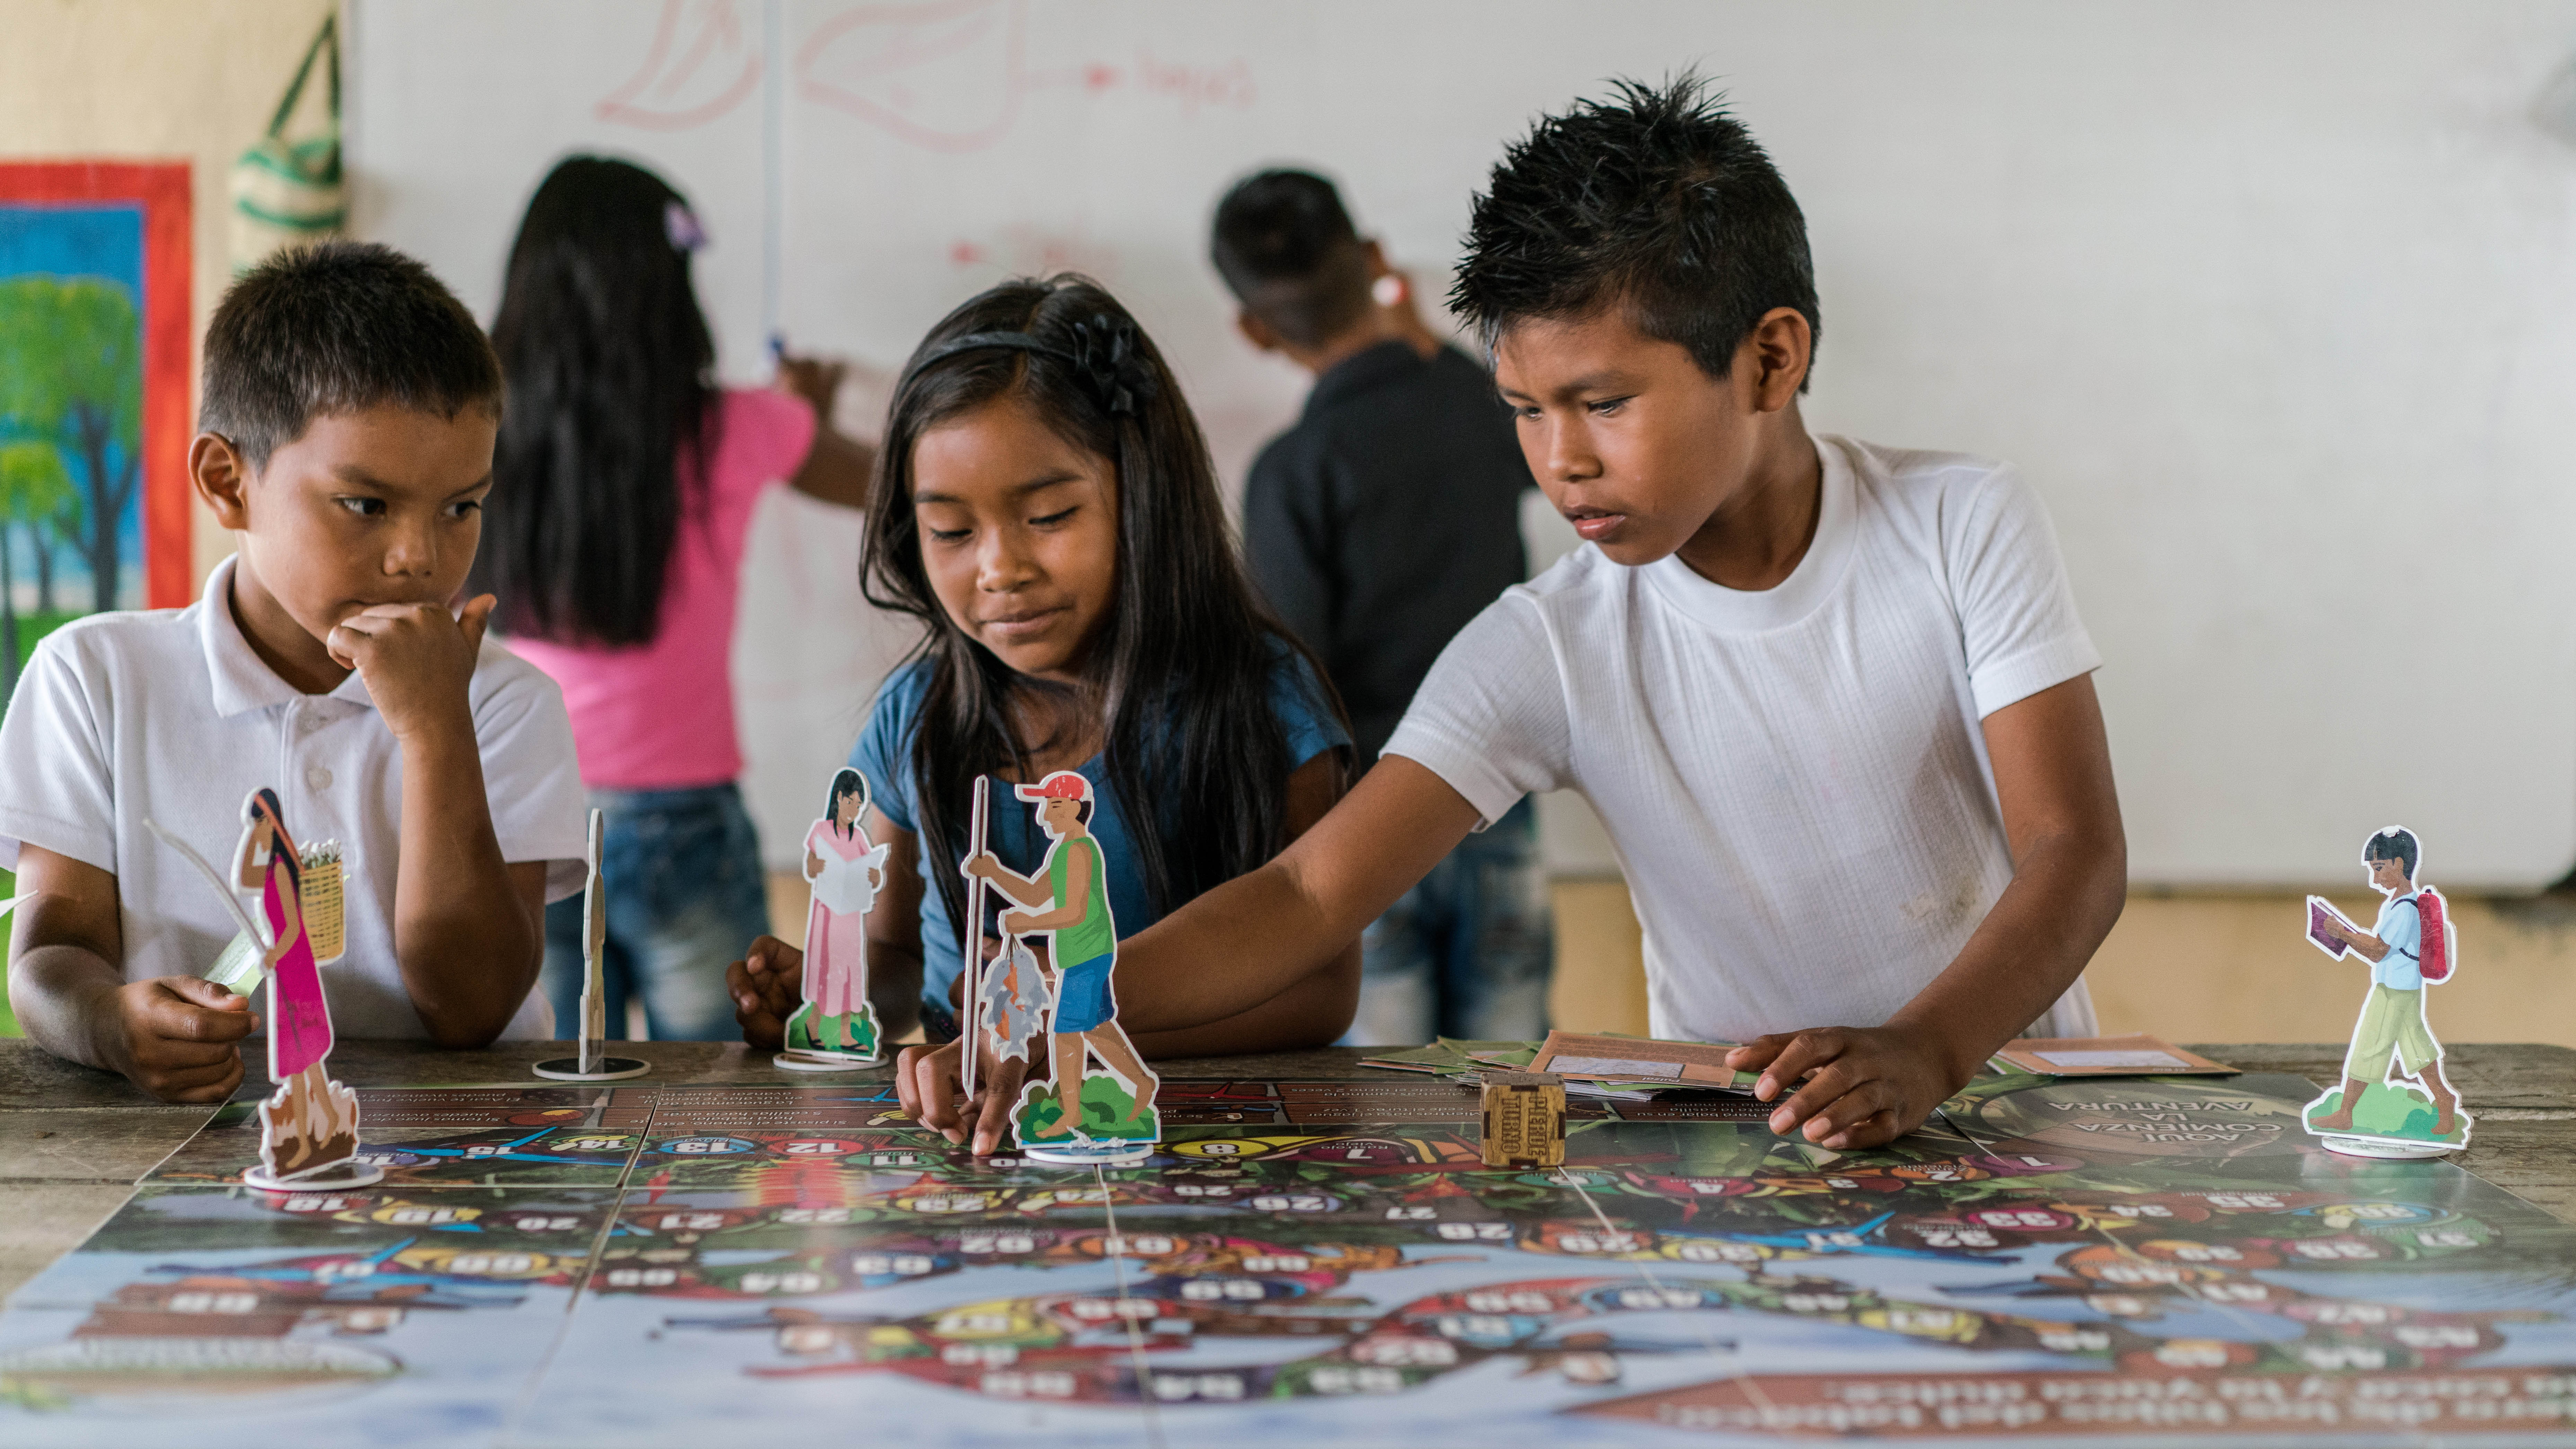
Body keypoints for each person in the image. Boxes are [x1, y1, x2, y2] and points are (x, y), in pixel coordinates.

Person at [910, 76, 2129, 1154]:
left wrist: (1924, 1049)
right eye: (1525, 411)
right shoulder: (1551, 642)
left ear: (1768, 361)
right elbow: (1304, 898)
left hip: (1997, 1101)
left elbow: (2071, 851)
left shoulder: (1958, 524)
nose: (1561, 461)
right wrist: (1049, 998)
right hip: (1752, 1142)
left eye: (1600, 402)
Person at [725, 275, 1358, 1138]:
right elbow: (897, 959)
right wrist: (832, 996)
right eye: (950, 531)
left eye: (1049, 514)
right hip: (978, 1154)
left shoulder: (1263, 702)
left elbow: (1320, 993)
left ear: (1143, 494)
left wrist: (1064, 1035)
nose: (997, 569)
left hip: (1202, 1153)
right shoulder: (918, 716)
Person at [0, 241, 590, 1103]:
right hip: (184, 1147)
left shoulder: (504, 702)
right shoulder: (94, 677)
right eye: (367, 505)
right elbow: (53, 954)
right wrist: (106, 1021)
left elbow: (472, 1008)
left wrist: (435, 732)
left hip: (446, 1151)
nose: (418, 558)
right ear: (227, 481)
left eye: (463, 506)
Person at [469, 157, 874, 1042]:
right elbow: (900, 487)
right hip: (684, 815)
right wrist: (804, 412)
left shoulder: (481, 426)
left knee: (552, 1086)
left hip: (527, 808)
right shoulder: (733, 427)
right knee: (723, 1107)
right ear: (668, 287)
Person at [1211, 168, 1553, 1046]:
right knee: (1512, 1076)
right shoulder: (1481, 406)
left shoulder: (1295, 468)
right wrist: (1425, 338)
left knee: (1390, 1106)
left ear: (1252, 330)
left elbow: (1293, 672)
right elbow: (1538, 461)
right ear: (1371, 260)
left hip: (1372, 830)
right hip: (1503, 804)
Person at [964, 770, 1160, 1142]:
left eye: (1053, 806)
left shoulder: (1080, 851)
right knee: (1096, 1028)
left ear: (1074, 807)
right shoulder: (1063, 851)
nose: (1044, 815)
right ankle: (1141, 1083)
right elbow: (1036, 895)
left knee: (1064, 1034)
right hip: (1083, 955)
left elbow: (1073, 913)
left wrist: (1026, 923)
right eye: (1044, 806)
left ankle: (1071, 1112)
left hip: (1086, 954)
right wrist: (993, 873)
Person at [2308, 828, 2461, 1137]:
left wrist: (2342, 935)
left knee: (2368, 1046)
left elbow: (2378, 951)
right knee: (2418, 1050)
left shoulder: (2404, 909)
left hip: (2393, 991)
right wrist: (2349, 935)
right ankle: (2445, 1103)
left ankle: (2346, 1114)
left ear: (2400, 864)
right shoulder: (2403, 903)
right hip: (2405, 989)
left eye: (2379, 868)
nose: (2375, 879)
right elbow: (2380, 945)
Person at [789, 767, 890, 1056]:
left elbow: (872, 872)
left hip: (850, 914)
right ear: (839, 798)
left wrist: (875, 877)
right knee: (827, 971)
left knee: (850, 974)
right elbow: (810, 864)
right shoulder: (821, 830)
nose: (855, 811)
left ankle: (846, 1035)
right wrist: (815, 867)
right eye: (851, 803)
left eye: (860, 806)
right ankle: (813, 1025)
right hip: (827, 913)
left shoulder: (858, 836)